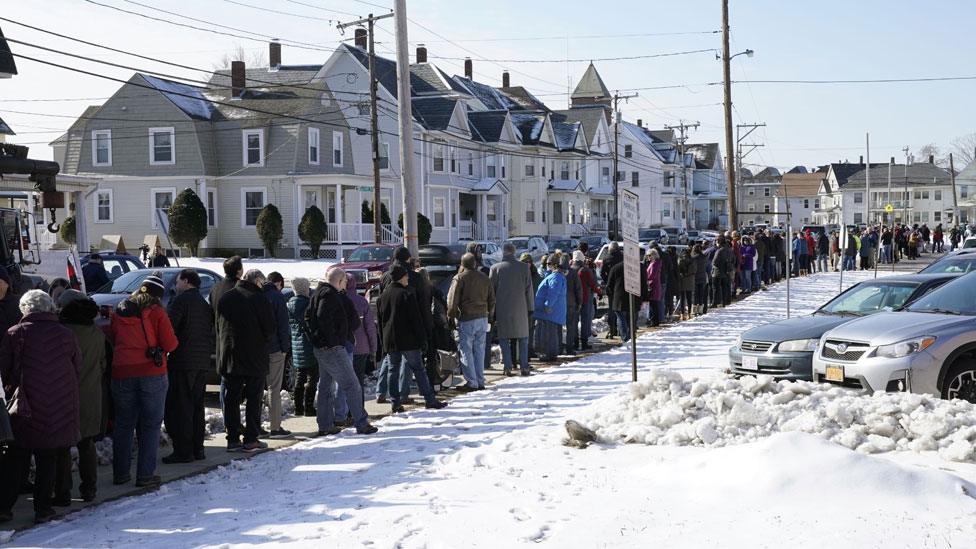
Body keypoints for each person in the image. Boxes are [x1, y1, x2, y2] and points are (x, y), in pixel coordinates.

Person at [0, 291, 81, 524]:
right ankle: (43, 509)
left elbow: (4, 369)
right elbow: (77, 366)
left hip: (25, 406)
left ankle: (5, 507)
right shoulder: (66, 335)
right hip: (59, 404)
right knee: (48, 457)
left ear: (25, 309)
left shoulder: (15, 334)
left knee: (15, 458)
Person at [109, 275, 178, 488]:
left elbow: (113, 337)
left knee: (123, 425)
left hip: (121, 373)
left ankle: (121, 474)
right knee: (150, 425)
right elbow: (171, 343)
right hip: (151, 373)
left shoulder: (119, 311)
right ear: (158, 296)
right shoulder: (157, 313)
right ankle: (145, 475)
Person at [308, 268, 378, 435]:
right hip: (333, 349)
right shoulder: (331, 296)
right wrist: (334, 341)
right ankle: (361, 422)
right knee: (352, 385)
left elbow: (308, 318)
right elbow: (324, 319)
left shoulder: (317, 294)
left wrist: (318, 340)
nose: (346, 285)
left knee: (325, 386)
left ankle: (325, 425)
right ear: (339, 281)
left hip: (322, 348)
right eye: (345, 281)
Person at [55, 290, 106, 503]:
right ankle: (89, 489)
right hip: (91, 395)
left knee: (62, 448)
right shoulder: (96, 333)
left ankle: (63, 493)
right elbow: (103, 365)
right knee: (87, 444)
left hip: (64, 396)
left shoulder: (62, 332)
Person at [217, 269, 274, 453]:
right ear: (257, 280)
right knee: (253, 398)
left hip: (231, 355)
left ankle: (232, 438)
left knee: (231, 398)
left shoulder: (227, 297)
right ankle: (251, 437)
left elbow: (218, 325)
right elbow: (270, 329)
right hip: (254, 356)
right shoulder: (259, 299)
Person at [377, 265, 447, 411]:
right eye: (406, 275)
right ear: (400, 277)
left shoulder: (382, 297)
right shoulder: (407, 294)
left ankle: (395, 402)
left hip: (390, 339)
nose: (408, 277)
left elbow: (380, 322)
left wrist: (383, 342)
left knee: (392, 371)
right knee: (419, 369)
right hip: (408, 340)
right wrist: (423, 339)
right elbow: (416, 320)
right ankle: (430, 399)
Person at [163, 269, 213, 463]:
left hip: (183, 361)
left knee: (180, 407)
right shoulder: (203, 303)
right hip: (201, 361)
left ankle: (183, 451)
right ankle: (197, 449)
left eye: (177, 282)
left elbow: (170, 329)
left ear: (185, 281)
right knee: (197, 407)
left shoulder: (180, 301)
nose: (176, 285)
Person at [448, 253, 495, 390]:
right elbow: (492, 300)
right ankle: (480, 381)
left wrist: (451, 316)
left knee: (466, 350)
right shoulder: (485, 278)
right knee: (479, 350)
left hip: (467, 318)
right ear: (475, 264)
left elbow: (452, 301)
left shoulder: (459, 278)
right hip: (482, 317)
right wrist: (490, 316)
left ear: (462, 264)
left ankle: (471, 382)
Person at [490, 243, 534, 376]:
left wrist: (491, 313)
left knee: (504, 339)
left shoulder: (495, 268)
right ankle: (524, 366)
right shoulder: (524, 268)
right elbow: (529, 290)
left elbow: (491, 293)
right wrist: (531, 307)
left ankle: (508, 366)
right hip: (521, 308)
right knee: (523, 339)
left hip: (502, 309)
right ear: (514, 252)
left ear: (503, 253)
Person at [261, 271, 292, 439]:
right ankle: (275, 426)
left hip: (258, 349)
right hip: (275, 348)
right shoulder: (277, 297)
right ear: (279, 283)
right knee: (274, 388)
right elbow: (282, 325)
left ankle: (256, 426)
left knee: (258, 388)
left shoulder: (258, 295)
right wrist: (285, 347)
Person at [345, 272, 377, 405]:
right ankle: (359, 408)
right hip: (361, 346)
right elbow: (369, 327)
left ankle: (345, 410)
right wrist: (373, 347)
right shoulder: (361, 301)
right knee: (358, 379)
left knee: (345, 381)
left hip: (344, 346)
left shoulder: (337, 300)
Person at [287, 278, 317, 417]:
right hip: (309, 345)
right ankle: (309, 407)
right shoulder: (307, 304)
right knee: (312, 377)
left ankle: (298, 407)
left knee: (300, 376)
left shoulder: (289, 304)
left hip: (296, 344)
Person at [534, 255, 567, 361]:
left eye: (549, 264)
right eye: (546, 264)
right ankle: (551, 353)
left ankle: (548, 354)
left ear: (555, 265)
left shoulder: (555, 277)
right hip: (551, 311)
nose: (547, 266)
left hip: (549, 311)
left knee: (548, 334)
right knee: (551, 333)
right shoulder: (554, 276)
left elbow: (553, 293)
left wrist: (548, 305)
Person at [577, 258, 601, 350]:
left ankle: (576, 341)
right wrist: (599, 291)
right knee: (585, 319)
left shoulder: (573, 268)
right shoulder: (585, 271)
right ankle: (584, 340)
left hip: (576, 297)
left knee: (576, 320)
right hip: (586, 296)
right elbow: (592, 284)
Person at [562, 255, 582, 356]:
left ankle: (559, 347)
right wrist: (579, 302)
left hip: (559, 303)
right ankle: (569, 347)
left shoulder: (557, 272)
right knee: (571, 326)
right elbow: (578, 289)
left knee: (557, 327)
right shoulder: (573, 273)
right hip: (571, 302)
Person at [676, 248, 696, 320]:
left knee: (682, 298)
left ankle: (682, 314)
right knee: (689, 298)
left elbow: (678, 270)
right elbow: (694, 270)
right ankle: (690, 313)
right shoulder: (692, 260)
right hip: (690, 280)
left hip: (682, 280)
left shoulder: (680, 260)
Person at [691, 244, 709, 316]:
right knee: (701, 294)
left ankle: (694, 310)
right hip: (703, 277)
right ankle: (701, 310)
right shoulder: (704, 257)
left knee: (695, 294)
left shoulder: (693, 258)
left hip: (695, 278)